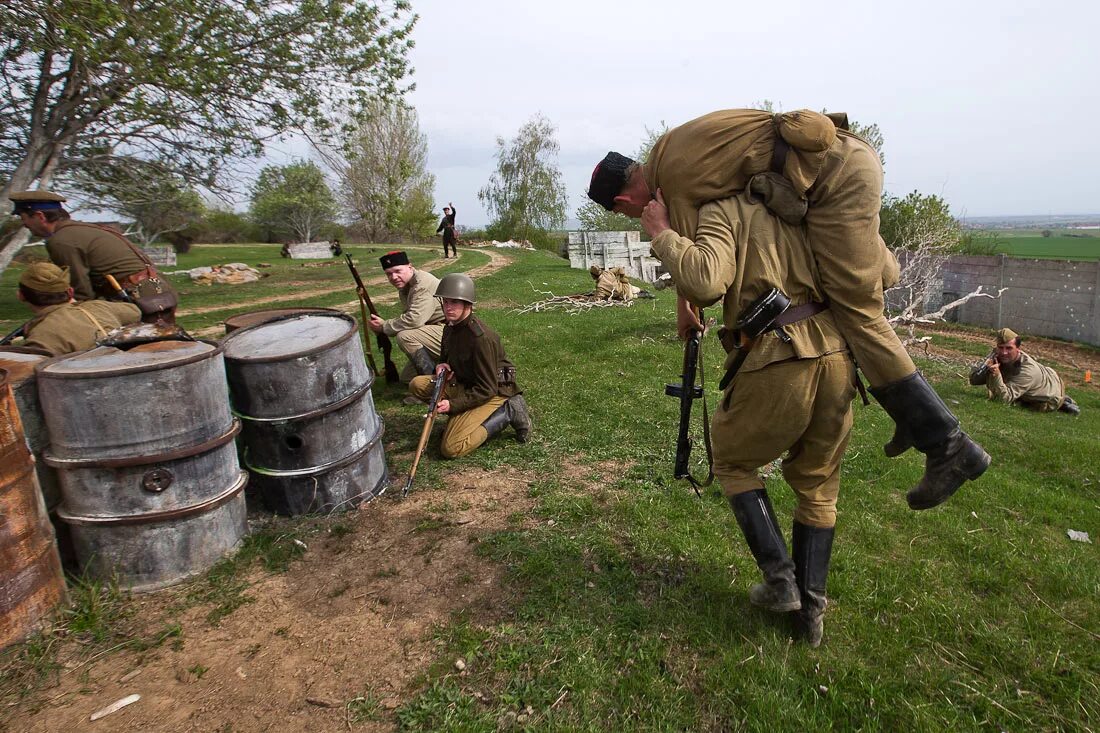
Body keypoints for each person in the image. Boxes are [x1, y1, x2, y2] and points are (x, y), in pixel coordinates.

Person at [587, 108, 989, 511]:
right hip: (839, 165)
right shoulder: (671, 152)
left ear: (623, 199)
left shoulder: (670, 182)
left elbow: (704, 280)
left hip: (836, 175)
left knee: (860, 312)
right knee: (856, 285)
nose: (636, 216)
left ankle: (948, 444)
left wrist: (661, 238)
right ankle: (909, 413)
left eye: (627, 213)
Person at [641, 186, 854, 647]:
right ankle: (810, 615)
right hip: (839, 357)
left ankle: (781, 581)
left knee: (732, 460)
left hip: (781, 352)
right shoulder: (804, 207)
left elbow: (705, 280)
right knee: (818, 484)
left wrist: (661, 233)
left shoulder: (725, 208)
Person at [407, 273, 532, 458]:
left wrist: (453, 405)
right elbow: (447, 356)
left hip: (493, 392)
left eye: (454, 302)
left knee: (451, 448)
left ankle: (507, 411)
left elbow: (487, 388)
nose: (448, 308)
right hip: (466, 384)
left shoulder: (480, 339)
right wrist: (443, 365)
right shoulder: (450, 327)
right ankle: (460, 420)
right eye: (445, 302)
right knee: (417, 384)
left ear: (468, 304)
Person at [9, 190, 178, 324]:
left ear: (40, 216)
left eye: (24, 219)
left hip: (138, 296)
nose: (25, 225)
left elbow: (79, 292)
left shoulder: (62, 241)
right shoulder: (84, 229)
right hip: (154, 291)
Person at [15, 262, 141, 356]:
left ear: (20, 295)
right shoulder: (99, 307)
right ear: (70, 292)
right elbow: (135, 311)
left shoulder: (40, 336)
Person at [368, 250, 446, 385]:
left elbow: (414, 319)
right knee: (407, 379)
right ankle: (442, 367)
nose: (394, 277)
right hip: (435, 330)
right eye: (389, 274)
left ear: (410, 267)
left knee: (405, 336)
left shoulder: (422, 284)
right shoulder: (406, 286)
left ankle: (431, 386)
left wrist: (384, 326)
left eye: (398, 271)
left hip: (453, 334)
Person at [970, 328, 1080, 415]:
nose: (1004, 353)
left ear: (1018, 349)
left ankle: (1064, 403)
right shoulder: (997, 355)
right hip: (1040, 379)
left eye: (1009, 348)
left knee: (1024, 401)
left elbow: (1003, 399)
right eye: (1001, 347)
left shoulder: (1027, 371)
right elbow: (974, 380)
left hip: (1051, 395)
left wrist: (996, 374)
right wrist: (986, 367)